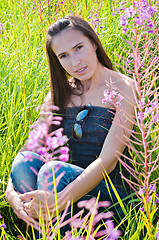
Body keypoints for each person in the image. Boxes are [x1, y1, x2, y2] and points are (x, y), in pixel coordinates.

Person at [5, 15, 136, 238]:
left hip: (111, 196)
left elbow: (109, 161)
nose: (75, 62)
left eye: (79, 48)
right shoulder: (60, 94)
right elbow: (29, 150)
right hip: (60, 188)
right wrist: (12, 196)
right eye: (64, 56)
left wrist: (57, 200)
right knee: (23, 163)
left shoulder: (123, 88)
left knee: (52, 171)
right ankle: (49, 231)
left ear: (93, 43)